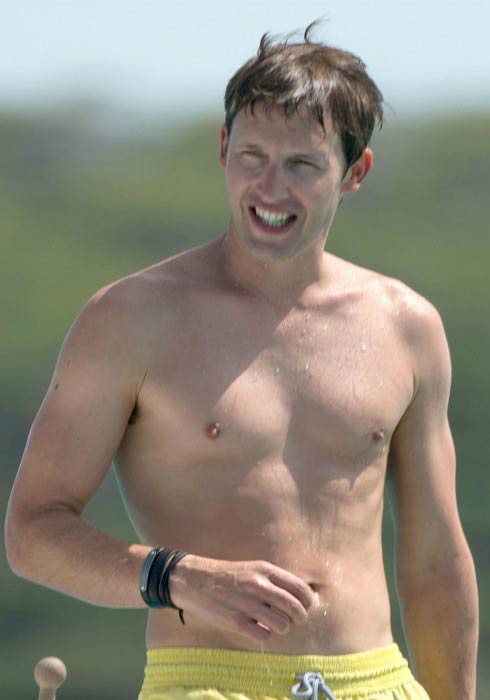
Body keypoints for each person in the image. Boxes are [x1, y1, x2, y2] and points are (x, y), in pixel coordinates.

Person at [5, 22, 478, 700]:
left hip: (379, 681)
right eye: (253, 155)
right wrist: (181, 577)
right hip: (206, 682)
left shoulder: (408, 326)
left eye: (303, 165)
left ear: (355, 173)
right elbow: (32, 532)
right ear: (223, 149)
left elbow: (435, 561)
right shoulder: (129, 318)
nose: (270, 189)